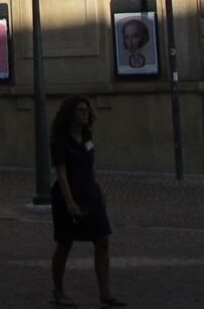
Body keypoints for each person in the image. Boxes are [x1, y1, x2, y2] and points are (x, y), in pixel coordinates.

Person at [49, 95, 125, 308]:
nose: (86, 113)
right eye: (81, 110)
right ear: (70, 114)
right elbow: (61, 174)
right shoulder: (59, 141)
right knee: (64, 244)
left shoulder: (87, 136)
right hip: (68, 197)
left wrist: (98, 188)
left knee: (102, 240)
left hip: (90, 194)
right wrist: (70, 203)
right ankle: (58, 291)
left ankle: (106, 292)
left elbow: (89, 167)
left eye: (87, 109)